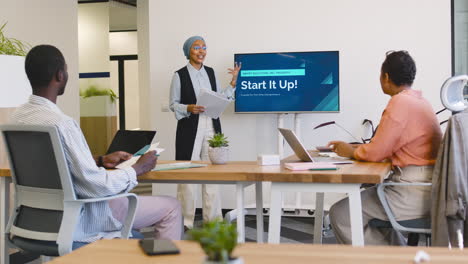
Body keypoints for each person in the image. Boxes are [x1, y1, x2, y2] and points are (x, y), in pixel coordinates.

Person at [11, 45, 182, 248]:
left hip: (32, 220)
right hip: (80, 218)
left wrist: (101, 160)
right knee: (172, 207)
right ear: (60, 75)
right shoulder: (61, 124)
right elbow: (97, 186)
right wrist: (138, 168)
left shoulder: (16, 118)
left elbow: (54, 162)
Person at [327, 51, 442, 245]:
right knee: (364, 215)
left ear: (386, 77)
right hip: (427, 187)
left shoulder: (400, 102)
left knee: (341, 214)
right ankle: (399, 256)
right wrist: (355, 148)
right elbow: (387, 146)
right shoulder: (420, 102)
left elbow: (376, 152)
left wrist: (351, 151)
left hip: (411, 192)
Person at [169, 36, 240, 229]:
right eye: (196, 48)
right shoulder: (179, 75)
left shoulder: (210, 72)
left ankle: (213, 221)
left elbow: (219, 97)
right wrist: (189, 107)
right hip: (189, 128)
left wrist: (233, 82)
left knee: (211, 174)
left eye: (204, 47)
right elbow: (173, 104)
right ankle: (185, 222)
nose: (201, 51)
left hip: (211, 125)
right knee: (187, 174)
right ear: (188, 52)